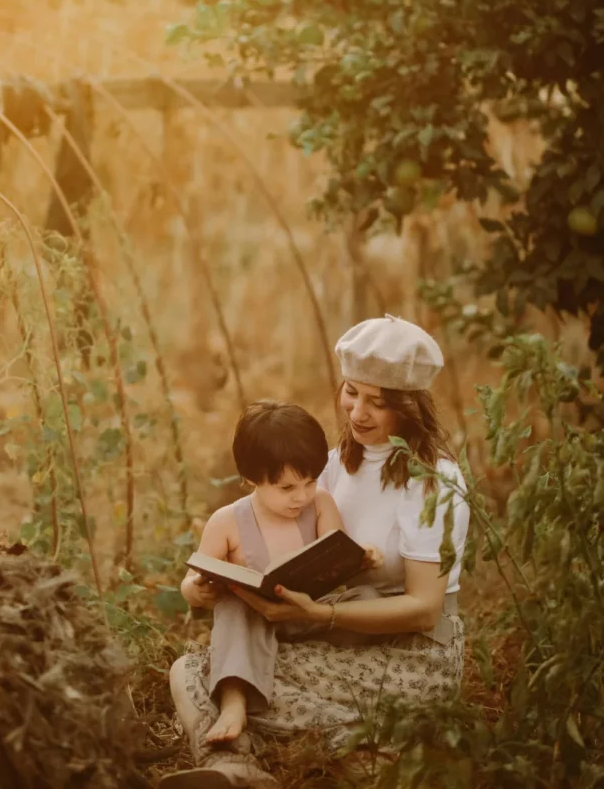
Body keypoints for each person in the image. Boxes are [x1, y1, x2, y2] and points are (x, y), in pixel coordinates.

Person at [161, 315, 471, 789]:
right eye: (351, 392)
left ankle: (367, 755)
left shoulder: (435, 482)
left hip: (411, 654)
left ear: (411, 408)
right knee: (192, 670)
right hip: (332, 636)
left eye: (378, 403)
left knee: (217, 678)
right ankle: (237, 766)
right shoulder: (330, 466)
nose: (358, 413)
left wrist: (319, 615)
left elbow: (425, 611)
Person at [180, 401, 383, 748]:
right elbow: (194, 578)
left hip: (313, 614)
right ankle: (234, 701)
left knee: (368, 599)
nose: (301, 497)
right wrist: (197, 591)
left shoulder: (320, 504)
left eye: (310, 482)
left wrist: (361, 558)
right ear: (250, 479)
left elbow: (335, 556)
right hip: (260, 623)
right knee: (233, 609)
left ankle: (315, 665)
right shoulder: (226, 521)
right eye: (287, 488)